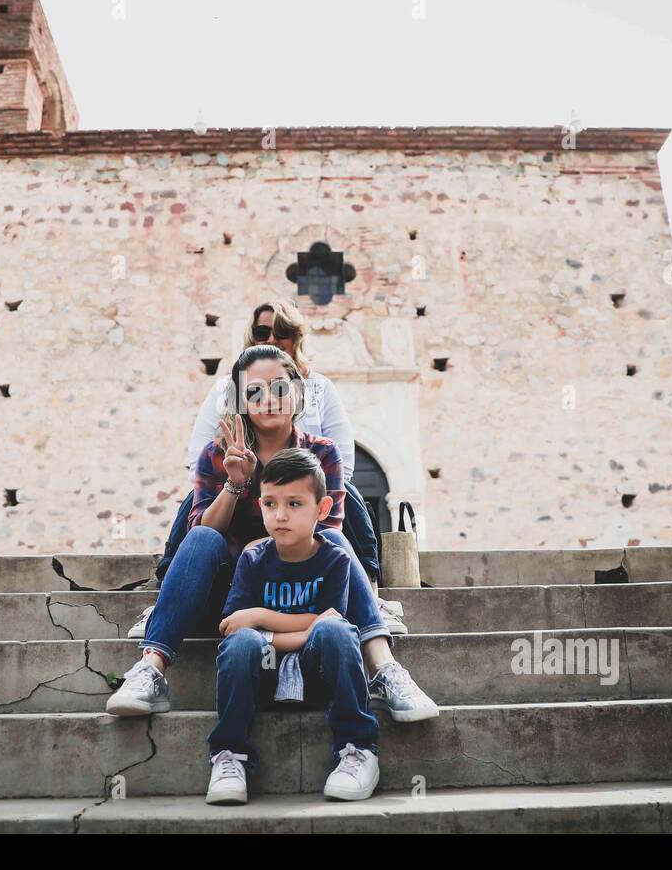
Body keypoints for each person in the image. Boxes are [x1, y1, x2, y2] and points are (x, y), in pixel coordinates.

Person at [106, 344, 437, 723]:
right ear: (241, 400)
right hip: (236, 597)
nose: (268, 400)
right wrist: (234, 484)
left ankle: (385, 670)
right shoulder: (218, 455)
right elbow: (202, 533)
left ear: (297, 391)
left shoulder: (321, 454)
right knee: (199, 537)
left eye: (279, 387)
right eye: (254, 392)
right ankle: (151, 670)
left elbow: (323, 535)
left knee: (334, 540)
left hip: (306, 589)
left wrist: (257, 547)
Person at [137, 298, 406, 635]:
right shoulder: (226, 388)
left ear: (297, 339)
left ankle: (369, 592)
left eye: (282, 332)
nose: (272, 338)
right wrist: (236, 478)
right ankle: (168, 593)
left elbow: (343, 460)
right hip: (243, 495)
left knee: (347, 494)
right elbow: (200, 459)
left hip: (308, 498)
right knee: (196, 501)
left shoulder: (319, 389)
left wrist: (298, 486)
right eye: (263, 331)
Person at [206, 448, 379, 805]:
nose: (280, 515)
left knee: (337, 633)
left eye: (294, 504)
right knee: (242, 646)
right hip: (262, 677)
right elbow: (234, 630)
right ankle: (229, 756)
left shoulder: (335, 559)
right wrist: (299, 629)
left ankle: (358, 748)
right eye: (270, 504)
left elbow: (331, 624)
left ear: (323, 509)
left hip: (316, 674)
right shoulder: (253, 559)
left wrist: (260, 618)